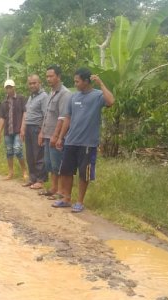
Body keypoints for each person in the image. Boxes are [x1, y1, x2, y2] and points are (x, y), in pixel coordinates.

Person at [53, 68, 115, 213]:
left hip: (88, 143)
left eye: (77, 81)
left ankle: (80, 202)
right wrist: (61, 137)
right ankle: (66, 198)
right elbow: (67, 118)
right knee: (67, 171)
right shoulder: (73, 97)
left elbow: (111, 101)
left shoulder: (98, 96)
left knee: (83, 174)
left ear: (87, 81)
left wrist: (101, 84)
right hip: (71, 141)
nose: (75, 84)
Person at [38, 65, 72, 199]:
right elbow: (47, 115)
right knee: (49, 163)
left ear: (58, 76)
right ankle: (53, 188)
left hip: (55, 136)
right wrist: (41, 133)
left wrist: (56, 136)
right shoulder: (51, 93)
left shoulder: (65, 93)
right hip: (47, 134)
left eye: (51, 76)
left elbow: (62, 117)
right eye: (47, 76)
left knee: (58, 164)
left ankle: (61, 191)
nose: (48, 79)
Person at [20, 74, 49, 189]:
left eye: (34, 83)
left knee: (39, 155)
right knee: (30, 155)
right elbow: (26, 113)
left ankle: (40, 180)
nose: (32, 85)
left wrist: (42, 132)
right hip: (28, 128)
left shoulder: (44, 97)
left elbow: (46, 115)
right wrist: (22, 128)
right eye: (30, 83)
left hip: (37, 128)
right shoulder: (31, 97)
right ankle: (32, 178)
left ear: (39, 83)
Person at [0, 78, 27, 182]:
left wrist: (23, 128)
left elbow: (25, 113)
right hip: (7, 132)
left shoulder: (21, 99)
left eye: (10, 87)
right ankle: (10, 172)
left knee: (18, 150)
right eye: (7, 88)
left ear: (14, 87)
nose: (8, 89)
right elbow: (2, 118)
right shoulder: (4, 103)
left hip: (18, 130)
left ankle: (24, 171)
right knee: (9, 152)